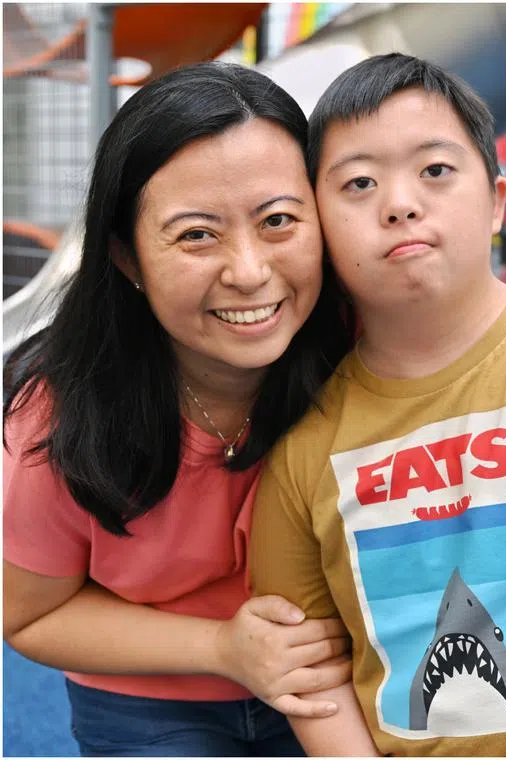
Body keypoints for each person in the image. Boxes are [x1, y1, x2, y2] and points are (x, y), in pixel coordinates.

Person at [3, 62, 357, 756]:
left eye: (279, 220)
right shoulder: (62, 414)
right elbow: (28, 615)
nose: (249, 270)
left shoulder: (366, 351)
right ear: (127, 258)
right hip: (148, 698)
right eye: (197, 234)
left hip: (341, 677)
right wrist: (222, 646)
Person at [249, 53, 506, 757]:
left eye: (434, 171)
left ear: (496, 197)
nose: (399, 203)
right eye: (359, 183)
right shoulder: (304, 439)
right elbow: (305, 662)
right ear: (317, 225)